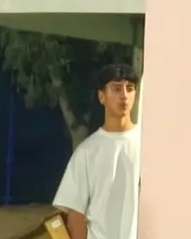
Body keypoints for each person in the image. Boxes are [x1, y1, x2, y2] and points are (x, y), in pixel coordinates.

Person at [52, 63, 141, 239]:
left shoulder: (148, 145)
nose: (124, 95)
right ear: (102, 96)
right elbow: (76, 215)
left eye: (130, 88)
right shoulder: (87, 152)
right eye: (116, 89)